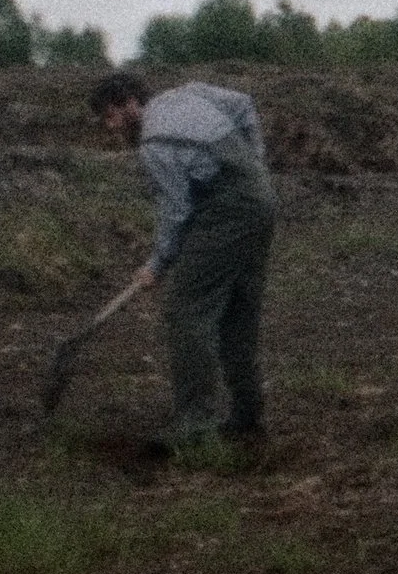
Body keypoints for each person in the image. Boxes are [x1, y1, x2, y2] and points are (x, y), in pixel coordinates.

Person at [88, 71, 278, 450]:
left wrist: (157, 264)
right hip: (262, 202)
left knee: (185, 308)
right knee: (238, 307)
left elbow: (176, 210)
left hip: (226, 211)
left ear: (130, 103)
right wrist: (255, 165)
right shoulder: (191, 92)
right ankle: (246, 411)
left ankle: (194, 425)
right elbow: (244, 104)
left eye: (111, 116)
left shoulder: (154, 143)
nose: (111, 128)